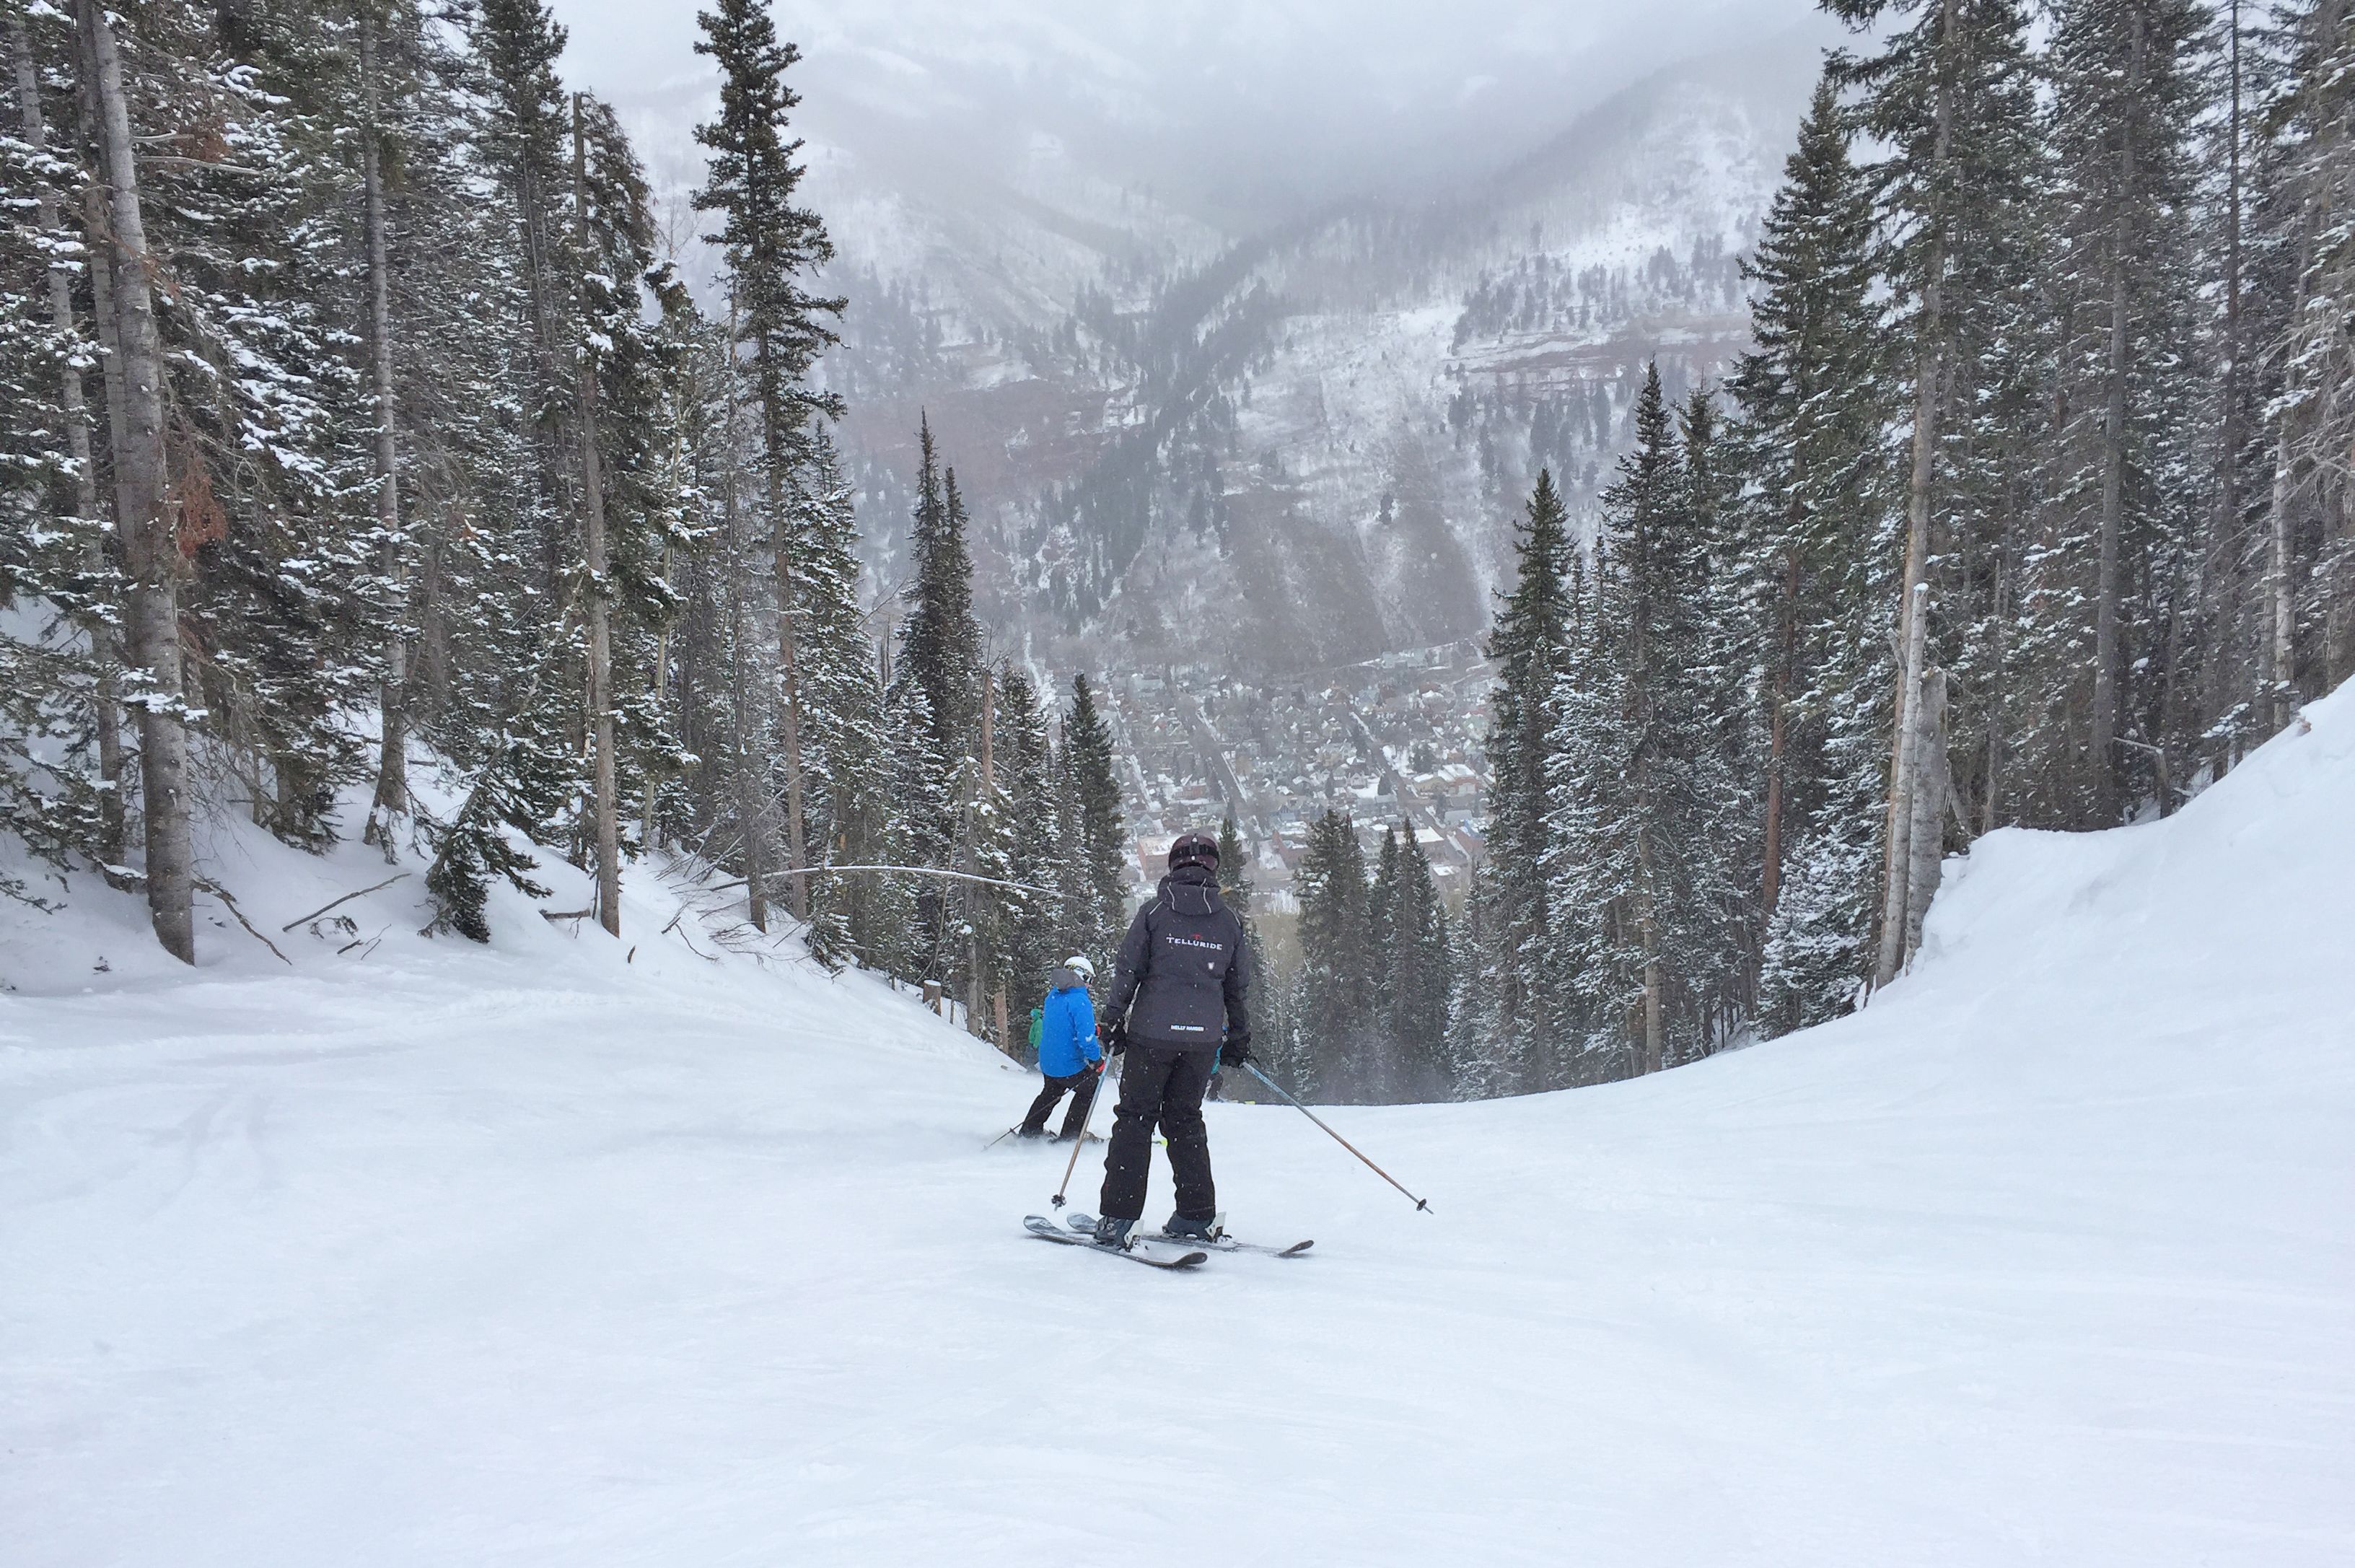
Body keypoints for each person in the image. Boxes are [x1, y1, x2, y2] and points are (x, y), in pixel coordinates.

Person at [1093, 830, 1252, 1247]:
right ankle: (1196, 1215)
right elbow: (1237, 987)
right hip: (1201, 1041)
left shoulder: (1154, 913)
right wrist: (1237, 1036)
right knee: (1184, 1120)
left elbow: (1129, 970)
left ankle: (1119, 1218)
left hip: (1152, 1036)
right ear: (1213, 867)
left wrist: (1112, 1021)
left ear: (1173, 866)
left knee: (1135, 1119)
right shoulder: (1228, 921)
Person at [1016, 956, 1103, 1141]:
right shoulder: (1080, 1001)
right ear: (1081, 976)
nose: (1090, 985)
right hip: (1068, 1064)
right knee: (1089, 1088)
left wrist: (1091, 1028)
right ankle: (1070, 1136)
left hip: (1049, 1063)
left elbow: (1063, 1024)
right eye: (1089, 980)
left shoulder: (1053, 996)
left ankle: (1029, 1131)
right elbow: (1086, 1040)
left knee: (1051, 1092)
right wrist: (1097, 1060)